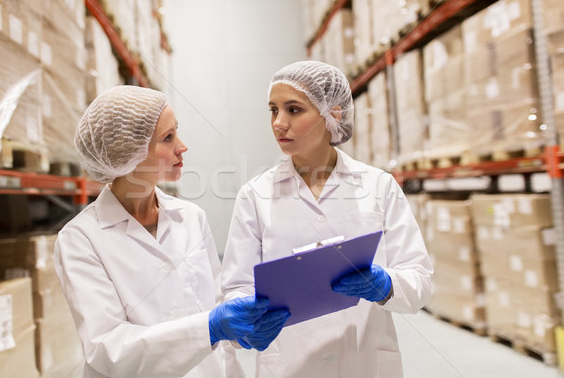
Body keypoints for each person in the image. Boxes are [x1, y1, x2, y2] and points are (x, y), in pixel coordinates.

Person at [54, 85, 289, 378]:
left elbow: (216, 305)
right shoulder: (80, 240)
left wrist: (242, 328)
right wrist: (211, 327)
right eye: (168, 137)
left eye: (176, 131)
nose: (182, 145)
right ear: (127, 152)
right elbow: (108, 349)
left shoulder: (190, 217)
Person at [221, 61, 433, 377]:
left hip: (363, 362)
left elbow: (419, 280)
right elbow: (236, 289)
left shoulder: (378, 186)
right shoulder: (255, 195)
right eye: (273, 110)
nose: (279, 123)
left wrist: (386, 285)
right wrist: (247, 322)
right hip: (291, 365)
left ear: (332, 114)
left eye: (293, 110)